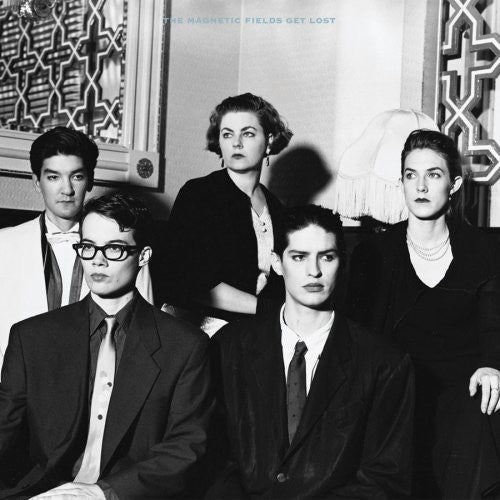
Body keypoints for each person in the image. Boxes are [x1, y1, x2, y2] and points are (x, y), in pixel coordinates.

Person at [0, 193, 213, 499]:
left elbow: (186, 447)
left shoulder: (185, 346)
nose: (97, 260)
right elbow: (4, 427)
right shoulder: (31, 337)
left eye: (114, 248)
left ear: (143, 255)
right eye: (88, 247)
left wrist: (103, 493)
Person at [209, 205, 414, 499]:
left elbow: (385, 477)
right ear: (277, 263)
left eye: (327, 257)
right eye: (299, 257)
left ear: (342, 263)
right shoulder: (229, 347)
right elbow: (212, 458)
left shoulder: (384, 362)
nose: (314, 271)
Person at [345, 129, 500, 499]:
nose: (421, 186)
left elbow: (493, 326)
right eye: (411, 175)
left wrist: (492, 365)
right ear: (402, 182)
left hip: (464, 391)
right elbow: (356, 337)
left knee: (483, 409)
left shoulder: (482, 250)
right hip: (398, 391)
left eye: (433, 174)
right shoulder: (375, 252)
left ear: (454, 184)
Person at [0, 127, 152, 368]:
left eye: (77, 177)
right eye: (53, 177)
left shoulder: (125, 250)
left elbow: (143, 332)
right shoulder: (5, 244)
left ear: (90, 180)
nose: (67, 190)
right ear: (37, 182)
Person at [162, 93, 292, 334]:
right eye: (227, 134)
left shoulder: (278, 208)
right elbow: (192, 283)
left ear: (269, 141)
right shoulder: (198, 194)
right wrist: (270, 310)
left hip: (256, 327)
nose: (236, 143)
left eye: (248, 133)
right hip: (197, 330)